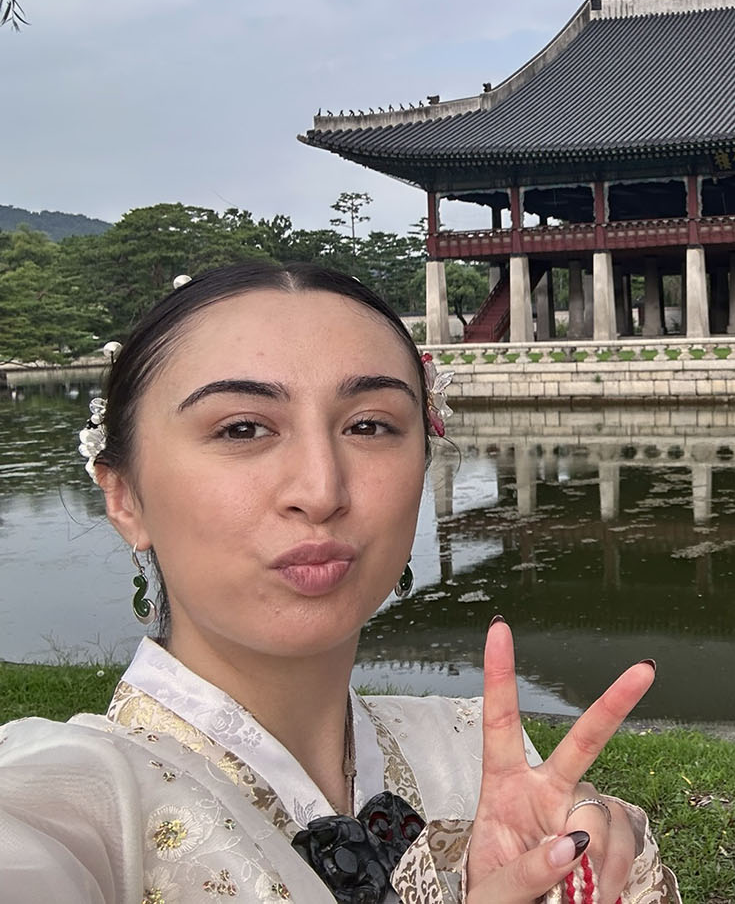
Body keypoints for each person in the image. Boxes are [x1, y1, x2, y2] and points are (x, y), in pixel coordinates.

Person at [0, 262, 680, 904]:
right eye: (242, 427)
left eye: (369, 424)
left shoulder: (468, 744)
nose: (321, 489)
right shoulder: (76, 794)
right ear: (124, 496)